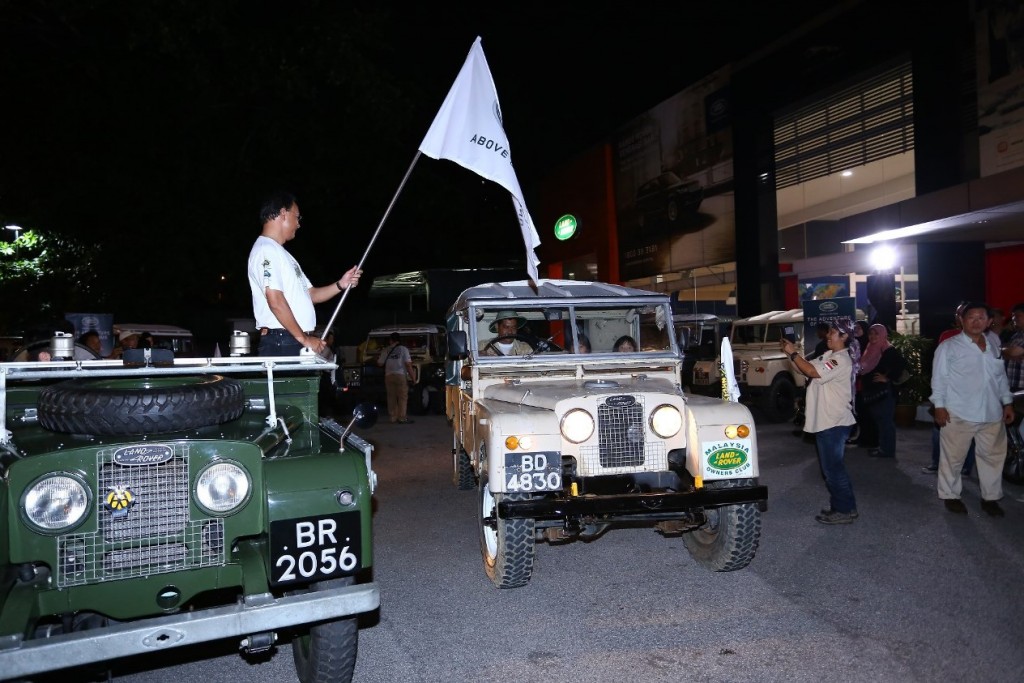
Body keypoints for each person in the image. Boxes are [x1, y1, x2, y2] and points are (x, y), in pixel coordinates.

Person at [247, 191, 362, 357]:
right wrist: (305, 339)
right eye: (297, 217)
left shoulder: (284, 255)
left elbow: (311, 294)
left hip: (291, 339)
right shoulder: (266, 249)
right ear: (283, 213)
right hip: (283, 341)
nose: (299, 224)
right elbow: (275, 300)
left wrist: (341, 284)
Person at [930, 301, 1015, 517]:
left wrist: (1007, 402)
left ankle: (991, 498)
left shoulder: (994, 344)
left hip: (991, 412)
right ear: (962, 320)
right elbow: (939, 379)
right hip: (959, 412)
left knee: (993, 458)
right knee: (953, 458)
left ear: (989, 321)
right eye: (971, 317)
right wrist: (939, 407)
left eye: (981, 318)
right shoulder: (949, 347)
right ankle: (950, 496)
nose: (976, 322)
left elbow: (1000, 377)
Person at [781, 318, 859, 525]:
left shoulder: (840, 359)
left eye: (833, 332)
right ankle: (843, 507)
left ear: (844, 337)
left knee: (833, 469)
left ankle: (844, 509)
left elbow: (812, 372)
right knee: (832, 469)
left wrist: (794, 353)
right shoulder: (829, 355)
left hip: (833, 422)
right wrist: (791, 353)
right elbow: (803, 369)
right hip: (827, 421)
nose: (828, 335)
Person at [859, 324, 905, 459]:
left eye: (876, 334)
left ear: (883, 334)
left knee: (886, 422)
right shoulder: (870, 348)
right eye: (870, 334)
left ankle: (888, 451)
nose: (872, 336)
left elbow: (901, 366)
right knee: (880, 421)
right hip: (873, 392)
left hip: (884, 393)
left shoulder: (888, 350)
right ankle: (882, 447)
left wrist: (888, 378)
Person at [378, 332, 415, 424]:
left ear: (391, 340)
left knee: (391, 397)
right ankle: (402, 418)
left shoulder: (385, 350)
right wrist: (413, 378)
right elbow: (408, 365)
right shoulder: (404, 349)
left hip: (388, 376)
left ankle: (393, 417)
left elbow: (380, 363)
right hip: (400, 375)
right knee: (402, 397)